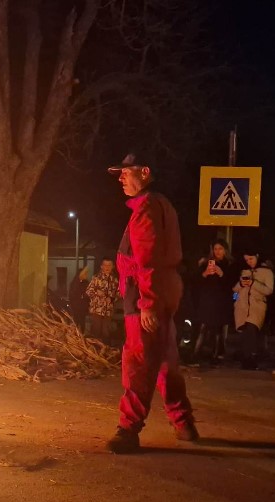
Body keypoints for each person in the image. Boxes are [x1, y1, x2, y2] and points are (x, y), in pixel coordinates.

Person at [105, 152, 196, 454]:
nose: (120, 178)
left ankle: (128, 430)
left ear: (144, 172)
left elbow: (147, 260)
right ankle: (183, 424)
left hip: (146, 296)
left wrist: (147, 302)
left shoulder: (145, 208)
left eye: (125, 172)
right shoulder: (163, 204)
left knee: (139, 363)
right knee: (166, 364)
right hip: (163, 293)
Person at [192, 240, 236, 365]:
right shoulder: (205, 263)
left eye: (220, 249)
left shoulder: (230, 265)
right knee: (203, 327)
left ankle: (216, 355)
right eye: (215, 249)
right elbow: (196, 282)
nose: (217, 252)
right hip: (207, 301)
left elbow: (233, 286)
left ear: (225, 250)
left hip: (221, 302)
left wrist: (222, 274)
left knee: (218, 329)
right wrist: (205, 273)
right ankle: (195, 354)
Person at [234, 251, 274, 370]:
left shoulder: (267, 272)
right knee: (245, 333)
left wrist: (253, 283)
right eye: (246, 260)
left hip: (256, 306)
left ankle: (251, 358)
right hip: (242, 306)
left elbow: (269, 290)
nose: (249, 262)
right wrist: (240, 286)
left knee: (252, 329)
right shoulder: (244, 272)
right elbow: (235, 291)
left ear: (257, 256)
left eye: (251, 259)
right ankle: (246, 359)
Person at [85, 258, 119, 343]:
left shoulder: (115, 280)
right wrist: (97, 293)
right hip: (97, 309)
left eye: (109, 265)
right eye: (105, 265)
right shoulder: (96, 278)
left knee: (106, 331)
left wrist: (112, 298)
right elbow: (88, 291)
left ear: (113, 267)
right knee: (96, 330)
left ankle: (105, 351)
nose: (107, 267)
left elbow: (120, 293)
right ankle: (94, 350)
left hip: (108, 310)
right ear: (101, 266)